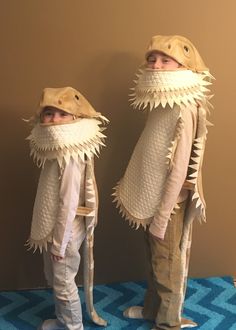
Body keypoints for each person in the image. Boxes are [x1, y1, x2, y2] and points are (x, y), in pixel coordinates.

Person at [113, 35, 213, 330]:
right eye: (151, 58)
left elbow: (180, 170)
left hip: (168, 206)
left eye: (165, 60)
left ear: (183, 65)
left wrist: (161, 216)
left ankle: (168, 323)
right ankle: (151, 309)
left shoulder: (184, 107)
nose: (155, 65)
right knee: (156, 259)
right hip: (153, 197)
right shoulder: (163, 100)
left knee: (167, 266)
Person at [25, 87, 108, 330]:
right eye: (49, 113)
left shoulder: (71, 156)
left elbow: (68, 202)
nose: (54, 120)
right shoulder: (56, 152)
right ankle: (63, 320)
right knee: (56, 277)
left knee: (62, 282)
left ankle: (73, 326)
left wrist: (60, 244)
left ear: (76, 118)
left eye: (63, 114)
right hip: (55, 225)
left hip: (65, 231)